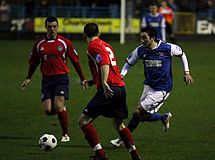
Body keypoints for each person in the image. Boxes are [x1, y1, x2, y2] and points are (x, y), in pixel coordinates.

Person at [110, 25, 194, 147]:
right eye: (141, 38)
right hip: (148, 86)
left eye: (144, 38)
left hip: (162, 89)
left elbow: (182, 54)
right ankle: (163, 117)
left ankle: (122, 140)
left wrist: (186, 72)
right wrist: (122, 75)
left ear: (152, 38)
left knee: (137, 112)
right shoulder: (140, 50)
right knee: (141, 116)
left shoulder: (167, 48)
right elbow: (128, 63)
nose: (142, 40)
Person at [78, 23, 142, 160]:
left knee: (83, 121)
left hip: (109, 89)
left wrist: (104, 82)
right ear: (99, 33)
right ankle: (134, 155)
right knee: (118, 124)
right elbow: (110, 67)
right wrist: (93, 81)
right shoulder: (106, 45)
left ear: (84, 35)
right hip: (120, 87)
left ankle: (100, 154)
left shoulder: (93, 46)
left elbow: (105, 63)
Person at [21, 16, 86, 142]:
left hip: (61, 78)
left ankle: (65, 134)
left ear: (58, 27)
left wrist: (82, 78)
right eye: (49, 26)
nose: (52, 29)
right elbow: (34, 62)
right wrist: (28, 77)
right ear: (45, 27)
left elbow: (75, 61)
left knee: (58, 105)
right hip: (46, 79)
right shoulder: (39, 44)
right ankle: (62, 110)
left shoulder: (65, 43)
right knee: (48, 110)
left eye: (54, 26)